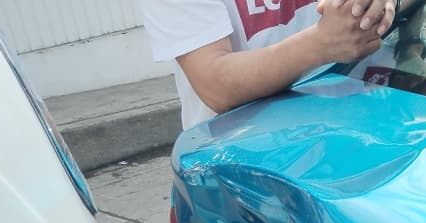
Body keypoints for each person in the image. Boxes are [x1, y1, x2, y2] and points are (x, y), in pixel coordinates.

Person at [140, 0, 402, 129]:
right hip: (252, 173)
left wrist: (383, 6)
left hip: (368, 131)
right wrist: (321, 43)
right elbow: (215, 85)